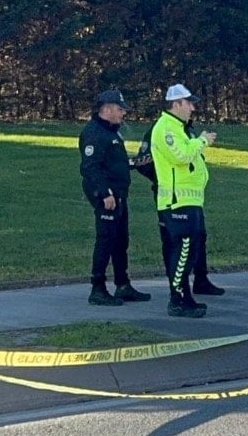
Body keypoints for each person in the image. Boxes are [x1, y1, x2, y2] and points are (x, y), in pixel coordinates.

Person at [77, 89, 152, 307]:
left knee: (121, 240)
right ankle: (97, 288)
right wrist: (104, 193)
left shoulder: (111, 132)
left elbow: (114, 163)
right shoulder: (94, 133)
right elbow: (90, 167)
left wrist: (135, 163)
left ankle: (123, 284)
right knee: (106, 240)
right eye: (120, 109)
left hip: (119, 194)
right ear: (107, 109)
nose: (123, 114)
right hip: (107, 196)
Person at [134, 120, 225, 297]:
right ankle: (178, 290)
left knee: (198, 237)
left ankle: (201, 279)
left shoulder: (185, 129)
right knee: (174, 243)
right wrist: (163, 178)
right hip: (170, 197)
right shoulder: (160, 130)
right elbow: (143, 162)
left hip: (192, 197)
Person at [151, 83, 218, 318]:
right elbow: (181, 156)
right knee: (183, 250)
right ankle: (177, 299)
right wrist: (201, 142)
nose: (192, 108)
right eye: (188, 103)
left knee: (191, 250)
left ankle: (185, 296)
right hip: (177, 201)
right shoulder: (166, 128)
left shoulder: (179, 127)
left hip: (190, 201)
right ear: (176, 104)